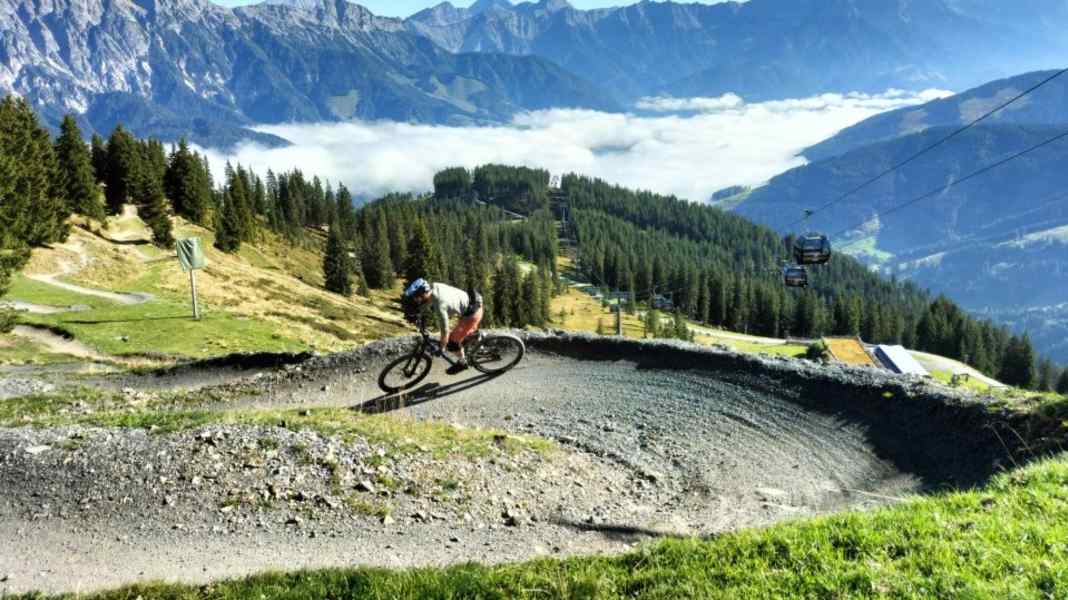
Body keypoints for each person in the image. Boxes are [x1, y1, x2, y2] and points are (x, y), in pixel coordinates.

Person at [403, 278, 483, 374]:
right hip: (470, 301)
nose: (417, 300)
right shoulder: (433, 286)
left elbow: (445, 331)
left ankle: (462, 362)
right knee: (460, 334)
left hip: (473, 313)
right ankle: (476, 337)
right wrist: (416, 314)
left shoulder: (440, 305)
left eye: (417, 298)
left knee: (452, 343)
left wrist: (442, 348)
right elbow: (427, 301)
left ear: (423, 294)